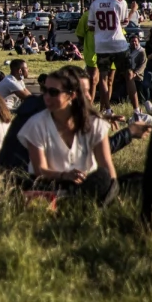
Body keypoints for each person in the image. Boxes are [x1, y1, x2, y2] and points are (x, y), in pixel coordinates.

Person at [17, 66, 118, 205]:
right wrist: (65, 176)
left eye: (53, 92)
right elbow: (40, 170)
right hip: (51, 184)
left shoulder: (95, 124)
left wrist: (113, 192)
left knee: (111, 178)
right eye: (44, 91)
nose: (46, 97)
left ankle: (77, 201)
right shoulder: (36, 124)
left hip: (87, 182)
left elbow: (107, 166)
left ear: (71, 95)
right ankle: (75, 202)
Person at [88, 0, 128, 114]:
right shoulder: (120, 2)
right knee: (128, 76)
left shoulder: (95, 3)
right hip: (118, 44)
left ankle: (108, 110)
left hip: (101, 46)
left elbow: (91, 26)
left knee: (103, 79)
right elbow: (123, 23)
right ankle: (136, 109)